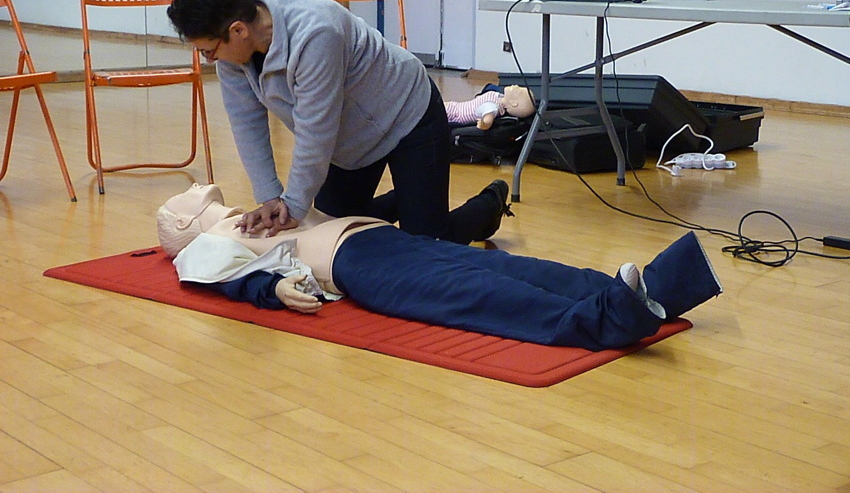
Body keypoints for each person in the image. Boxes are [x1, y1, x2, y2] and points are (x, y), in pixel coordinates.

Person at [155, 184, 723, 351]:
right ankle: (607, 320)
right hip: (353, 266)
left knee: (511, 270)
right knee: (475, 291)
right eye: (206, 204)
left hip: (379, 239)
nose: (220, 203)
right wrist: (273, 290)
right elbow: (228, 280)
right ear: (187, 226)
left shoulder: (257, 214)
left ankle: (652, 290)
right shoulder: (202, 246)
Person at [166, 0, 509, 245]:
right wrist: (270, 197)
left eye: (209, 51)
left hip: (408, 116)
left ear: (238, 30)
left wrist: (293, 206)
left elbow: (315, 131)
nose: (208, 59)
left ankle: (490, 203)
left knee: (428, 243)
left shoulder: (316, 32)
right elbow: (246, 123)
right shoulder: (231, 44)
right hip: (350, 141)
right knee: (333, 234)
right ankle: (412, 195)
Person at [445, 84, 536, 130]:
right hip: (456, 106)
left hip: (456, 113)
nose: (516, 86)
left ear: (513, 103)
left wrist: (484, 124)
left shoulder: (492, 107)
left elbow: (488, 121)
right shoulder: (499, 97)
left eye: (517, 90)